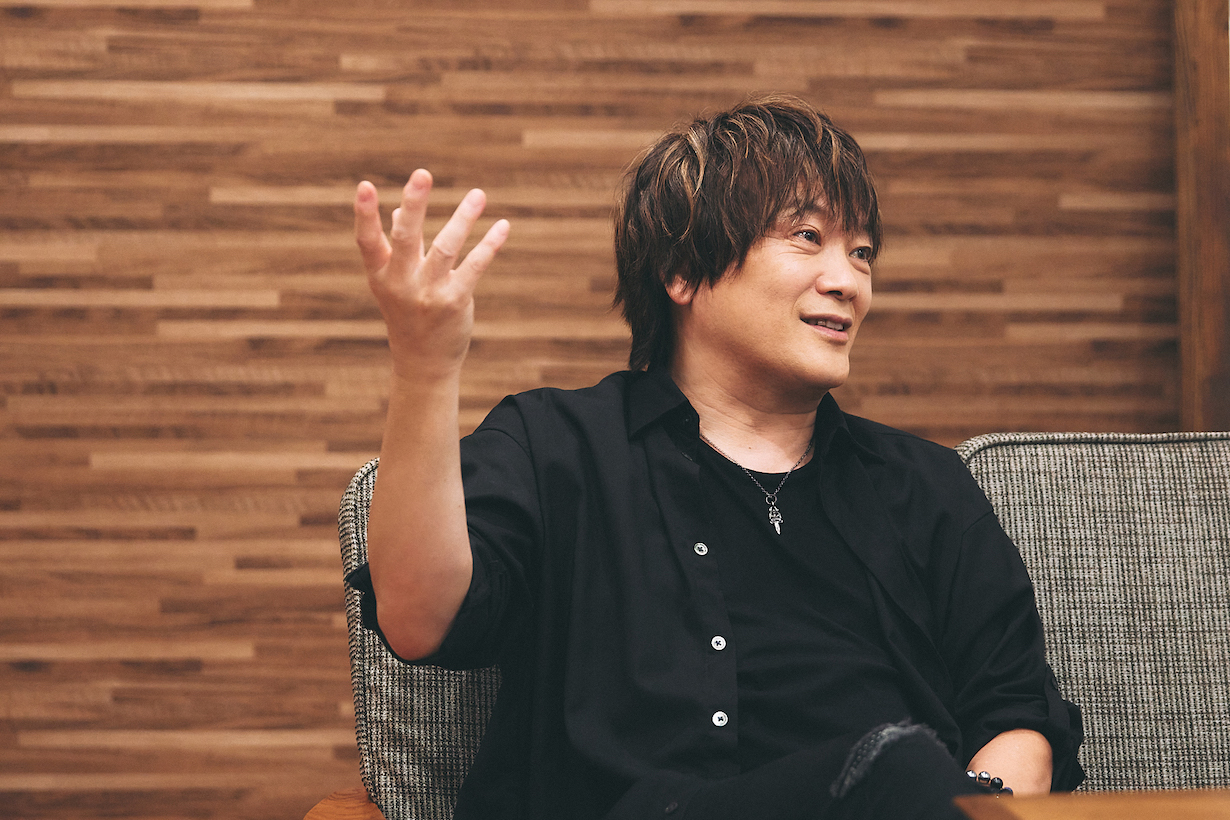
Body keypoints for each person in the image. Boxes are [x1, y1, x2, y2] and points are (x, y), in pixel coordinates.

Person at [349, 94, 1084, 820]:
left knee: (907, 772)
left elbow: (1016, 713)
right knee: (896, 766)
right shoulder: (557, 445)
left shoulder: (925, 487)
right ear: (683, 273)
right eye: (807, 236)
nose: (848, 282)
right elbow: (419, 617)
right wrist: (426, 366)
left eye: (862, 253)